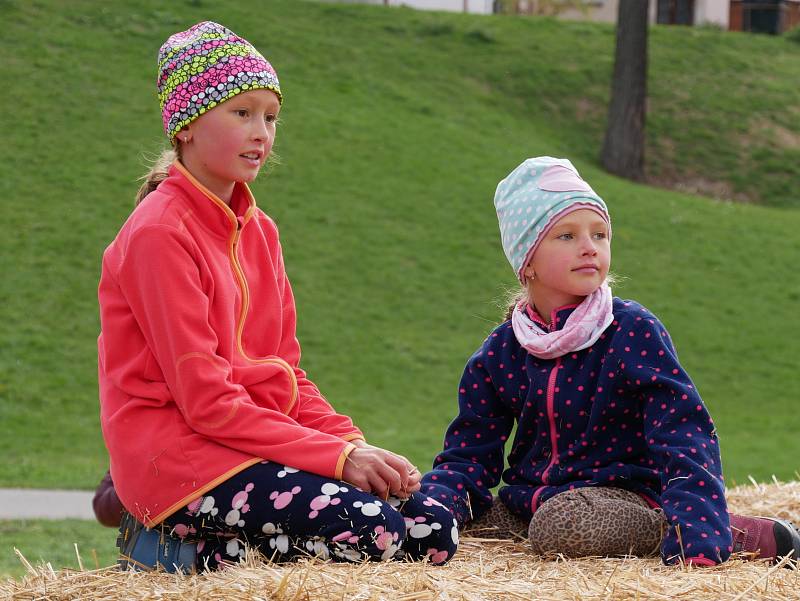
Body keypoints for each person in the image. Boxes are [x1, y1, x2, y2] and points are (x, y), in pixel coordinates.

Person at [98, 21, 457, 573]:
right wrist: (339, 460)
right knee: (375, 532)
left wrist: (352, 444)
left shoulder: (260, 231)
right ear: (186, 126)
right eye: (241, 113)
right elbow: (207, 405)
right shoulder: (158, 235)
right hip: (176, 461)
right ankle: (166, 548)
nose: (261, 132)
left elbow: (284, 375)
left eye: (270, 116)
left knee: (435, 529)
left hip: (250, 445)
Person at [421, 156, 800, 567]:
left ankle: (707, 528)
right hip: (526, 504)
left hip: (621, 497)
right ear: (526, 261)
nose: (589, 247)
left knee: (560, 527)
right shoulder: (504, 348)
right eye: (566, 236)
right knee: (463, 522)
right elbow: (468, 452)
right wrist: (435, 510)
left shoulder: (630, 330)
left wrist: (699, 529)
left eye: (599, 234)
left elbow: (684, 433)